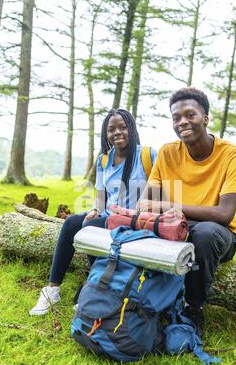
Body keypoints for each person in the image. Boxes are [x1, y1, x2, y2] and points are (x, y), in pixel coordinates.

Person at [137, 87, 236, 337]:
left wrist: (170, 208)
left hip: (219, 236)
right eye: (176, 118)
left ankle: (193, 308)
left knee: (205, 234)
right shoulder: (167, 152)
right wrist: (164, 211)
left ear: (205, 118)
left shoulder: (232, 154)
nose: (182, 122)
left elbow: (224, 214)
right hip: (178, 230)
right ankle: (150, 300)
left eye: (190, 115)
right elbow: (146, 204)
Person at [29, 108, 157, 316]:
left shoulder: (147, 154)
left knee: (89, 229)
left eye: (123, 127)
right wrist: (96, 210)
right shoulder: (104, 159)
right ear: (105, 134)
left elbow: (159, 190)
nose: (117, 132)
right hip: (108, 215)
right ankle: (52, 289)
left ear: (131, 129)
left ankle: (95, 287)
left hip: (133, 221)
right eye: (111, 129)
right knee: (72, 222)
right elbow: (101, 195)